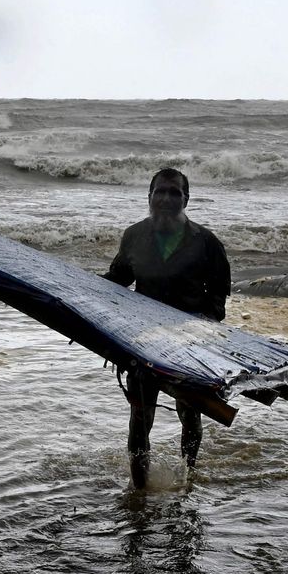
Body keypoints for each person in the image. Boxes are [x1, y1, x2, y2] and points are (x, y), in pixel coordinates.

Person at [102, 167, 231, 488]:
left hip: (189, 346)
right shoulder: (134, 236)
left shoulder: (207, 243)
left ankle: (188, 475)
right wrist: (76, 286)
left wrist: (202, 325)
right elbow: (118, 282)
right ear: (149, 197)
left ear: (186, 199)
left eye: (174, 192)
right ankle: (140, 489)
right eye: (160, 191)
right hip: (142, 342)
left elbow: (218, 299)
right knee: (140, 419)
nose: (166, 198)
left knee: (189, 414)